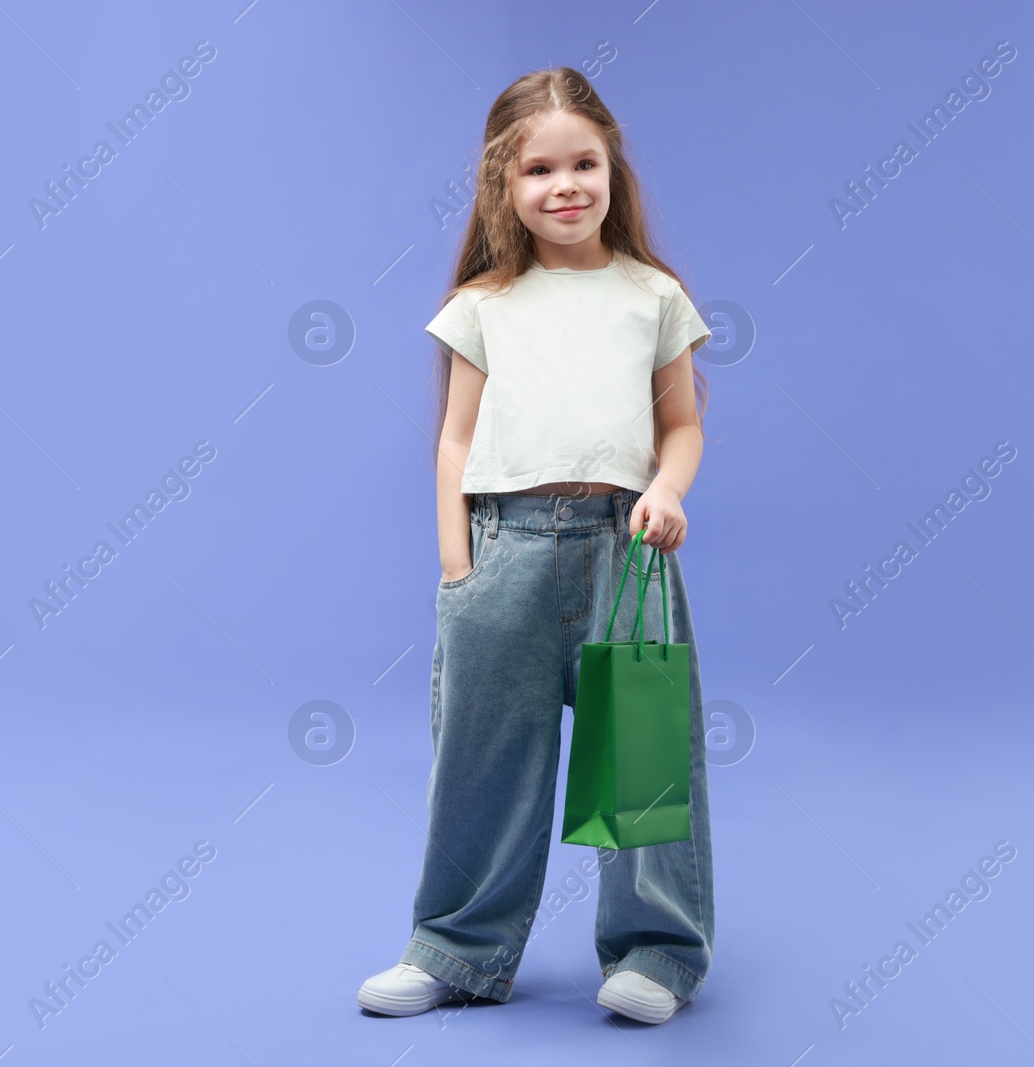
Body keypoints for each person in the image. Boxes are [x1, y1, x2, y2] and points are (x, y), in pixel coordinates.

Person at [357, 66, 716, 1026]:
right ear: (502, 187)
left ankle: (656, 951)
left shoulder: (653, 296)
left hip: (625, 552)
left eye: (585, 163)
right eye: (539, 169)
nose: (566, 185)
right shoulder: (484, 304)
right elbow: (456, 441)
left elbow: (680, 423)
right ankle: (457, 946)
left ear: (613, 170)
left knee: (639, 753)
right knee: (480, 761)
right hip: (502, 550)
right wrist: (456, 567)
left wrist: (667, 489)